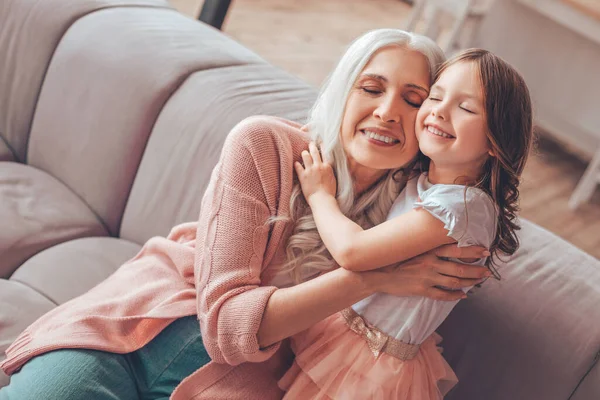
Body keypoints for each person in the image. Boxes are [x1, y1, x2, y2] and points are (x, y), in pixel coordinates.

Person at [0, 30, 492, 400]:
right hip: (133, 338)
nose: (387, 112)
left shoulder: (419, 212)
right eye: (370, 88)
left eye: (412, 99)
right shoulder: (266, 144)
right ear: (345, 90)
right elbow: (225, 326)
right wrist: (373, 278)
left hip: (240, 384)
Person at [278, 48, 533, 399]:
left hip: (373, 367)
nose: (440, 111)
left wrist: (320, 195)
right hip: (347, 336)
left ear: (495, 142)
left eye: (466, 108)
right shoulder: (424, 178)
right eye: (435, 96)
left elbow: (353, 252)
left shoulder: (463, 207)